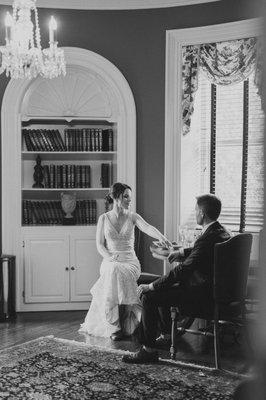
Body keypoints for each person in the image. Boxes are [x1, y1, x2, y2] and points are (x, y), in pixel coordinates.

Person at [122, 193, 231, 363]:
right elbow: (203, 250)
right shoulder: (222, 232)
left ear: (202, 213)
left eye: (196, 210)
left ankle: (148, 350)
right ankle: (166, 335)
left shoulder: (207, 238)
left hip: (200, 295)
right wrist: (182, 252)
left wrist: (152, 286)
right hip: (215, 290)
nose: (195, 213)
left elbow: (182, 271)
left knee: (149, 296)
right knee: (162, 286)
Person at [79, 182, 171, 341]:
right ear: (115, 197)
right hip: (110, 260)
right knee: (113, 269)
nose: (129, 200)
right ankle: (115, 325)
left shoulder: (133, 216)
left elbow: (147, 227)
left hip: (130, 262)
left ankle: (117, 327)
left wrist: (162, 237)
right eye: (126, 196)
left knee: (114, 271)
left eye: (130, 197)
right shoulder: (104, 218)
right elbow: (100, 244)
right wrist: (109, 257)